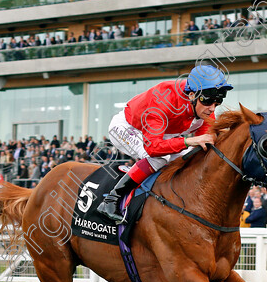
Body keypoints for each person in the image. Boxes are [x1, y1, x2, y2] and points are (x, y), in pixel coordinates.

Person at [97, 65, 231, 221]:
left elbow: (204, 146)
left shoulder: (205, 106)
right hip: (128, 128)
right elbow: (153, 148)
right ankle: (111, 200)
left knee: (191, 158)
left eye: (217, 102)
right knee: (159, 158)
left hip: (161, 132)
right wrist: (189, 140)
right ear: (192, 95)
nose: (212, 108)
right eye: (208, 101)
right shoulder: (163, 101)